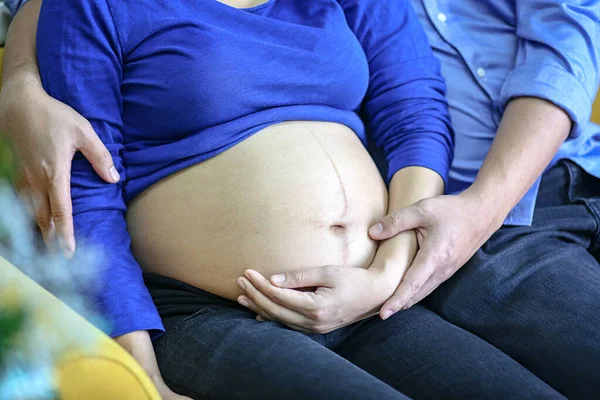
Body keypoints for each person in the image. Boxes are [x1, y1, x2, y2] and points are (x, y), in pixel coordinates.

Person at [0, 2, 592, 400]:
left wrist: (386, 276)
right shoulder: (92, 6)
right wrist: (140, 370)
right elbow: (83, 197)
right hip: (206, 308)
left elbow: (412, 107)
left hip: (370, 294)